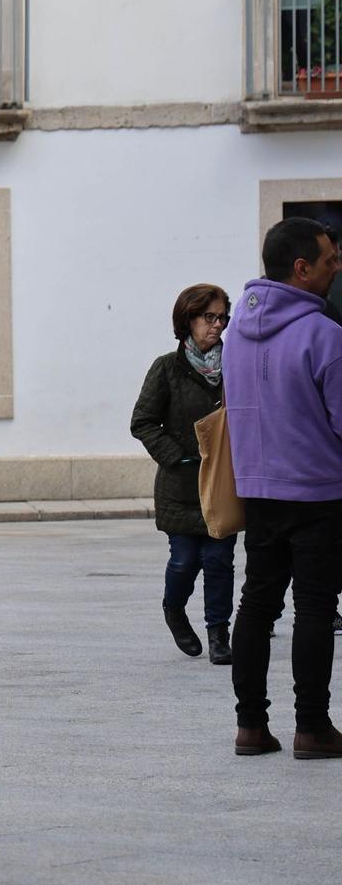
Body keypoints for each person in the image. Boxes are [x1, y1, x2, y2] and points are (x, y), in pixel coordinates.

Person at [225, 217, 342, 760]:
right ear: (301, 269)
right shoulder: (325, 335)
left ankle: (251, 726)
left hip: (258, 490)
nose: (336, 267)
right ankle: (312, 728)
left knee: (256, 604)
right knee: (315, 609)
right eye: (328, 260)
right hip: (319, 492)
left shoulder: (234, 337)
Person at [130, 284, 236, 665]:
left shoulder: (235, 366)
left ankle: (218, 632)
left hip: (222, 484)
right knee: (184, 561)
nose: (217, 325)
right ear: (188, 319)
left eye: (223, 317)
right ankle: (173, 609)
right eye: (210, 317)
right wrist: (175, 456)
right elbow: (142, 422)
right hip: (181, 485)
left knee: (220, 561)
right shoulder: (166, 368)